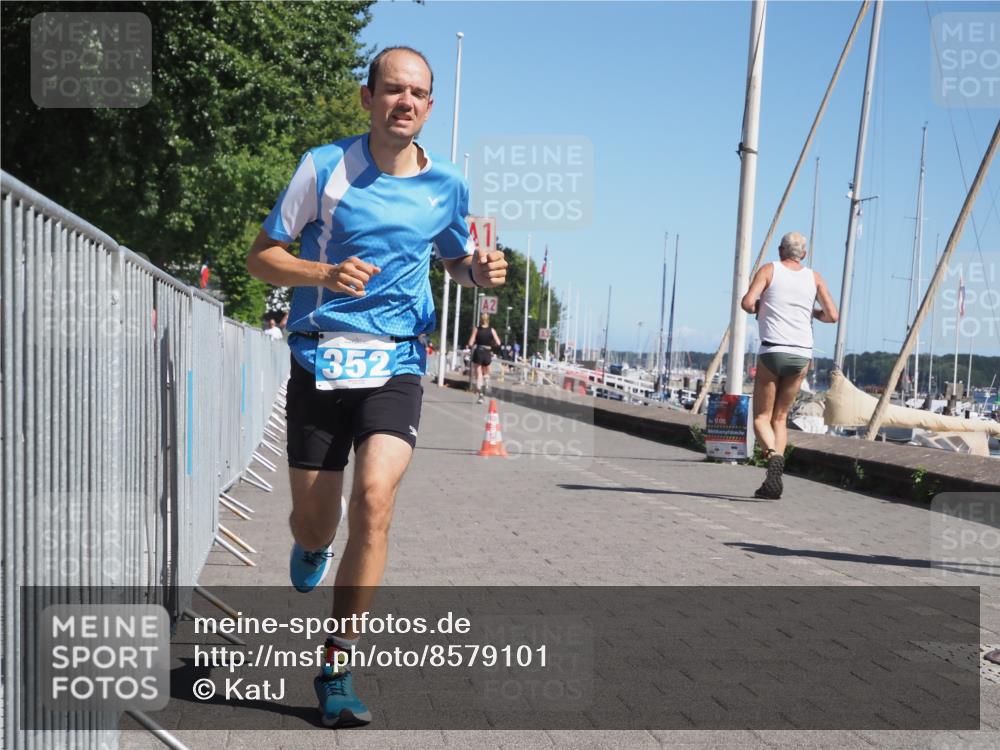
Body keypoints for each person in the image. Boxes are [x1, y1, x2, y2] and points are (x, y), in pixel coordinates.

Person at [245, 45, 507, 728]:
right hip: (320, 361)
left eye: (418, 93)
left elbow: (455, 262)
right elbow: (262, 258)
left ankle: (337, 663)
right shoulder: (324, 167)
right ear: (368, 98)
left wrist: (481, 273)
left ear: (430, 105)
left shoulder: (447, 184)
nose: (406, 103)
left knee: (376, 497)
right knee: (315, 518)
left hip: (396, 362)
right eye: (393, 90)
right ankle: (310, 544)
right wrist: (324, 275)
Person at [740, 231, 838, 499]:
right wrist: (812, 312)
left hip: (773, 350)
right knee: (781, 418)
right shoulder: (814, 277)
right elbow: (832, 315)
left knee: (761, 417)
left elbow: (747, 303)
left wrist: (763, 306)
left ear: (781, 250)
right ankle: (776, 475)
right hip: (801, 355)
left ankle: (772, 457)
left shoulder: (769, 270)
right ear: (803, 254)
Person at [467, 313, 501, 403]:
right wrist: (491, 344)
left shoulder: (476, 329)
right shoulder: (492, 330)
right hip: (487, 352)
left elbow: (470, 343)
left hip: (479, 351)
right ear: (488, 320)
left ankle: (480, 396)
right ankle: (486, 380)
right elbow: (498, 342)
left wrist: (474, 343)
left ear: (480, 320)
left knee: (478, 374)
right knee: (486, 370)